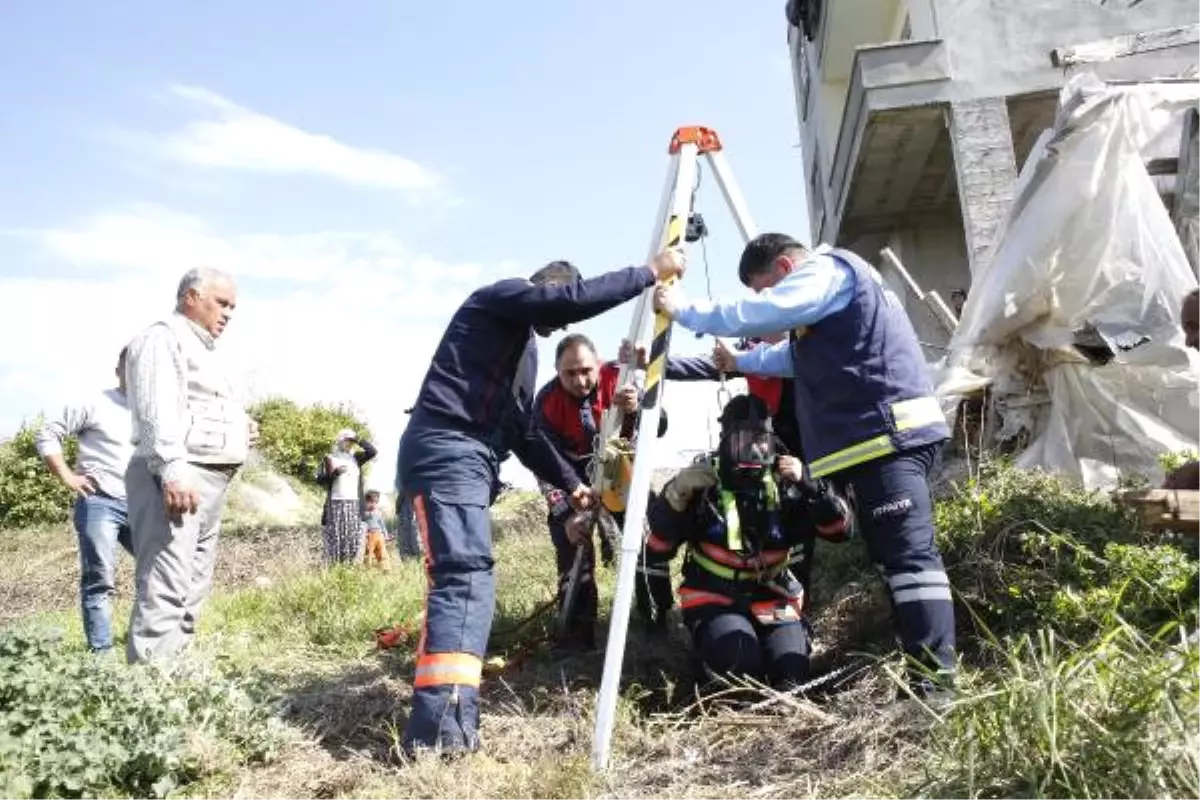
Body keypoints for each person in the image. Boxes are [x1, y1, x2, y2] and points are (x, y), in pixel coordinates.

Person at [397, 248, 685, 756]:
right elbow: (562, 305)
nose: (556, 322)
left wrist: (570, 482)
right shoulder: (499, 297)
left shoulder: (519, 350)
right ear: (546, 285)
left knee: (471, 581)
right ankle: (440, 736)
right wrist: (648, 274)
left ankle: (452, 724)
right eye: (558, 300)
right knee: (464, 580)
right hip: (449, 447)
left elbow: (523, 433)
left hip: (470, 454)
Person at [654, 232, 956, 697]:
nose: (765, 301)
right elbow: (791, 358)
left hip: (889, 438)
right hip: (876, 445)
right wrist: (739, 361)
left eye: (765, 289)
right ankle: (924, 677)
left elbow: (762, 314)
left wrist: (685, 309)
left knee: (911, 565)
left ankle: (936, 688)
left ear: (784, 271)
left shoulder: (827, 271)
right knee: (897, 566)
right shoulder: (833, 308)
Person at [635, 394, 853, 689]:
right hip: (714, 599)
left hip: (772, 599)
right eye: (742, 440)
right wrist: (675, 494)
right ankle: (705, 660)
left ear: (772, 440)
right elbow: (657, 545)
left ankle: (778, 645)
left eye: (761, 439)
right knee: (741, 668)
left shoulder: (786, 481)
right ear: (725, 441)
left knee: (791, 676)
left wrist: (812, 485)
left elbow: (840, 531)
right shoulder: (702, 482)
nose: (753, 448)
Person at [124, 266, 257, 664]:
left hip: (209, 480)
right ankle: (150, 690)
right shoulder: (163, 336)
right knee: (166, 583)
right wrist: (172, 470)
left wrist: (239, 426)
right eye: (222, 303)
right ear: (191, 297)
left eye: (233, 306)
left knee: (192, 585)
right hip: (179, 477)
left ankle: (174, 674)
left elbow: (197, 405)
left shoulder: (207, 350)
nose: (229, 313)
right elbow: (156, 409)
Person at [532, 333, 667, 650]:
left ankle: (657, 619)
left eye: (586, 370)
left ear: (598, 363)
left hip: (620, 472)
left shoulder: (619, 377)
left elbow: (659, 424)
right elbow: (542, 464)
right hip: (571, 481)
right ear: (556, 370)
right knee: (572, 548)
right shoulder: (546, 402)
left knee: (647, 541)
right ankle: (578, 638)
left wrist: (639, 407)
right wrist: (564, 513)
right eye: (570, 373)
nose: (580, 380)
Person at [35, 347, 135, 654]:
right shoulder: (96, 403)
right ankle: (101, 659)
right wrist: (66, 475)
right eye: (129, 366)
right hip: (100, 503)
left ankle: (144, 643)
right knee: (99, 580)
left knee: (158, 573)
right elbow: (48, 434)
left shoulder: (155, 410)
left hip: (143, 506)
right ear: (118, 369)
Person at [316, 429, 378, 564]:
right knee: (336, 537)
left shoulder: (355, 458)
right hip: (336, 503)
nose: (349, 444)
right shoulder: (330, 458)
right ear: (340, 441)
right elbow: (319, 480)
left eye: (351, 442)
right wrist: (334, 474)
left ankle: (349, 566)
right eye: (346, 440)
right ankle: (334, 566)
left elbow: (372, 452)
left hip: (354, 503)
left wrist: (358, 439)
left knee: (353, 537)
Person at [361, 490, 392, 572]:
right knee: (369, 553)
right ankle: (368, 568)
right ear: (366, 502)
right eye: (370, 502)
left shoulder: (378, 513)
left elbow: (382, 525)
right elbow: (362, 524)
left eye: (375, 503)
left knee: (382, 552)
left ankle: (385, 568)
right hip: (369, 535)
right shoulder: (364, 514)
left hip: (379, 535)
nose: (373, 505)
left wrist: (386, 535)